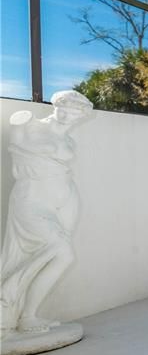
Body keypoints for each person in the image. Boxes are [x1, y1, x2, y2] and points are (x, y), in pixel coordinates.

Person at [1, 90, 93, 337]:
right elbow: (18, 156)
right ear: (56, 106)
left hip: (63, 202)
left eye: (75, 114)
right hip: (31, 200)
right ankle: (15, 307)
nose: (68, 116)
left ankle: (27, 316)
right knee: (63, 254)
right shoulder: (27, 124)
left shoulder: (70, 141)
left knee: (59, 255)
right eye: (64, 109)